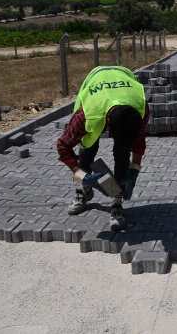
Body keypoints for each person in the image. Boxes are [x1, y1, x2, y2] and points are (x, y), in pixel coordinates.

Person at [56, 66, 150, 230]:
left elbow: (139, 143)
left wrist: (134, 171)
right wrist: (82, 175)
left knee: (122, 155)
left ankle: (117, 202)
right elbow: (63, 147)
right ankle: (84, 191)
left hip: (122, 80)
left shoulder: (141, 108)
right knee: (86, 152)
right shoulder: (87, 114)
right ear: (109, 128)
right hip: (96, 87)